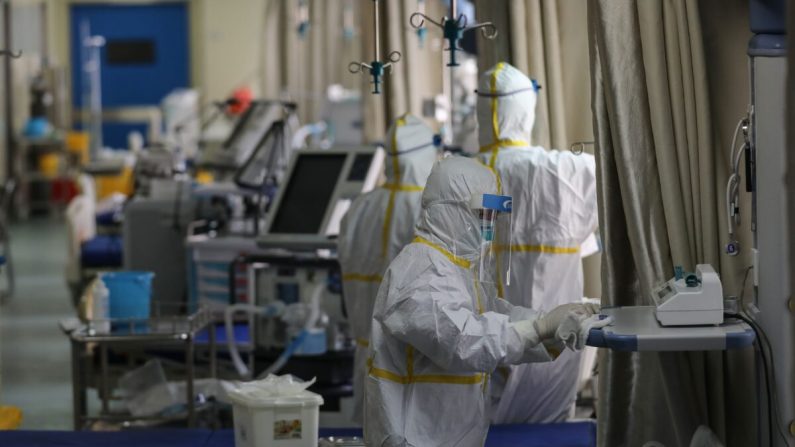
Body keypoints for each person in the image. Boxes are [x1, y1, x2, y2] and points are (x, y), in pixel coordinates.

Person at [364, 156, 609, 447]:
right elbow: (464, 340)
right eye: (482, 215)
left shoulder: (455, 268)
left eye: (492, 217)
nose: (488, 227)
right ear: (449, 211)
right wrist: (541, 327)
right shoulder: (420, 271)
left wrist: (553, 323)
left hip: (446, 434)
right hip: (415, 438)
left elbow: (493, 315)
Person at [475, 62, 599, 423]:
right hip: (553, 346)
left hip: (480, 349)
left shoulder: (454, 176)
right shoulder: (565, 170)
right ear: (527, 109)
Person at [337, 114, 438, 423]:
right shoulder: (430, 209)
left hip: (366, 353)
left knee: (371, 430)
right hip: (417, 362)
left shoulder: (359, 207)